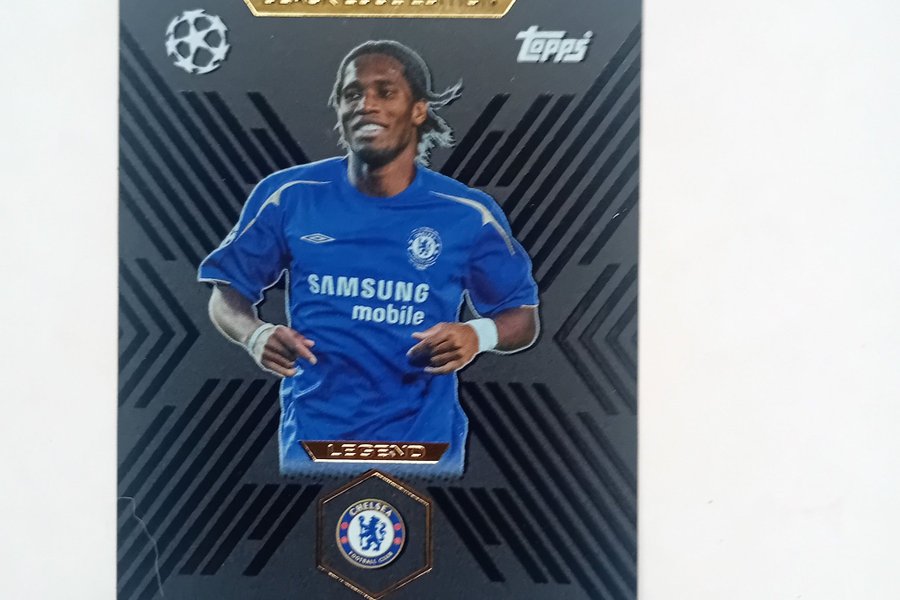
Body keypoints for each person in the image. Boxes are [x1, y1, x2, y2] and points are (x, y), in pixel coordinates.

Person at [198, 40, 539, 477]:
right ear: (340, 109)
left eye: (385, 92)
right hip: (315, 441)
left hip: (424, 444)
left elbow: (522, 317)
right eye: (352, 93)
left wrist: (478, 333)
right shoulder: (289, 196)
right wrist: (254, 334)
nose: (366, 104)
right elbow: (226, 292)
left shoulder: (467, 212)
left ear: (418, 110)